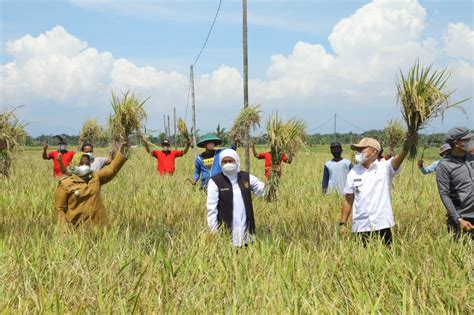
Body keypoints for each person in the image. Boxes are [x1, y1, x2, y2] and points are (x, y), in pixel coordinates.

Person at [339, 136, 413, 246]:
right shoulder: (353, 172)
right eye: (357, 150)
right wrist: (342, 223)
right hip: (360, 226)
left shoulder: (385, 167)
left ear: (373, 151)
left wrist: (408, 143)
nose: (358, 153)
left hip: (383, 224)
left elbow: (400, 157)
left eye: (361, 150)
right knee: (361, 259)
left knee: (386, 259)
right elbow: (348, 199)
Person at [54, 142, 129, 228]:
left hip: (99, 227)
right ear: (74, 165)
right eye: (82, 164)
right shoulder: (65, 184)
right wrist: (64, 232)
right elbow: (59, 209)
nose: (85, 166)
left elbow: (111, 169)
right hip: (77, 230)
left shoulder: (95, 177)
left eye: (87, 164)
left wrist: (123, 151)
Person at [207, 149, 265, 246]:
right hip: (226, 235)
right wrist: (214, 233)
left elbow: (265, 191)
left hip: (247, 233)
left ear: (236, 161)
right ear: (220, 163)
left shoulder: (246, 177)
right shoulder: (215, 181)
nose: (228, 164)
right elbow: (211, 209)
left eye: (230, 161)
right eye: (224, 162)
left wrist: (275, 176)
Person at [435, 127, 473, 240]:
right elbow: (444, 194)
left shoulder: (472, 158)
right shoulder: (444, 165)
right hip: (462, 219)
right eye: (467, 140)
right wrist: (458, 219)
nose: (471, 142)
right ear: (457, 143)